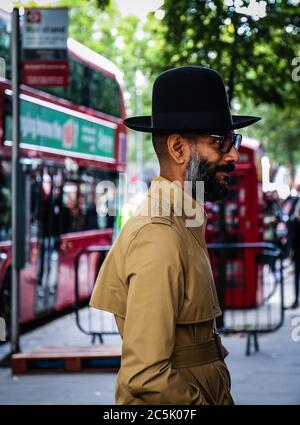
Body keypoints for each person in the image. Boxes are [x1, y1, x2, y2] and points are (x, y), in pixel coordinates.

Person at [90, 66, 261, 405]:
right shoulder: (159, 235)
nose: (233, 155)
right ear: (179, 149)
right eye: (219, 142)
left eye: (233, 141)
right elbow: (145, 374)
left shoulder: (184, 222)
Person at [290, 197, 300, 309]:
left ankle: (296, 300)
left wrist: (291, 253)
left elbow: (293, 239)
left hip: (298, 252)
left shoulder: (296, 221)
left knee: (297, 277)